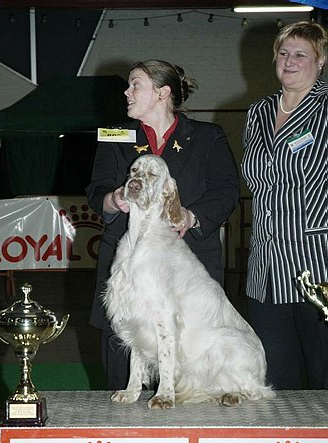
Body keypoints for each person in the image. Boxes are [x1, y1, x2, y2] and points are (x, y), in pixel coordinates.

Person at [86, 59, 240, 390]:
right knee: (119, 377)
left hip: (187, 271)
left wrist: (191, 216)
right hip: (128, 269)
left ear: (162, 93)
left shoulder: (207, 136)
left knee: (194, 377)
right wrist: (112, 199)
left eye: (135, 85)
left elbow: (226, 190)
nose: (127, 92)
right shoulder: (115, 134)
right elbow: (95, 189)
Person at [241, 21, 328, 390]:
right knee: (276, 379)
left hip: (319, 263)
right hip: (266, 268)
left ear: (321, 61)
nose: (289, 61)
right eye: (283, 53)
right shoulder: (257, 112)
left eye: (301, 55)